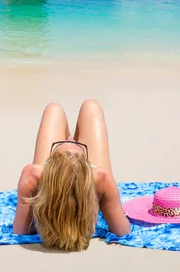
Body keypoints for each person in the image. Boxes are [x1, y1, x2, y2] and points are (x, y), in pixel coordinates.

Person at [13, 99, 130, 250]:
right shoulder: (101, 178)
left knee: (53, 109)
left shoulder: (33, 175)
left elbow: (20, 231)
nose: (70, 138)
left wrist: (26, 202)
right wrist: (110, 201)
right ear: (87, 165)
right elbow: (123, 231)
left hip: (54, 183)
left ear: (50, 164)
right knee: (91, 106)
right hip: (86, 191)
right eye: (76, 143)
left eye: (62, 143)